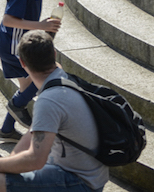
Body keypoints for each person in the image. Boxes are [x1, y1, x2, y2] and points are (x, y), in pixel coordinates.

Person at [1, 0, 90, 141]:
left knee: (29, 87)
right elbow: (8, 20)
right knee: (40, 79)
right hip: (14, 46)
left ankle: (6, 129)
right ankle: (17, 107)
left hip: (18, 43)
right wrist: (41, 26)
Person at [0, 30, 109, 192]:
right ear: (54, 54)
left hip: (81, 182)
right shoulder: (63, 79)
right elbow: (33, 133)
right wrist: (8, 163)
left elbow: (35, 160)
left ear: (22, 63)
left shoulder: (49, 100)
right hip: (90, 174)